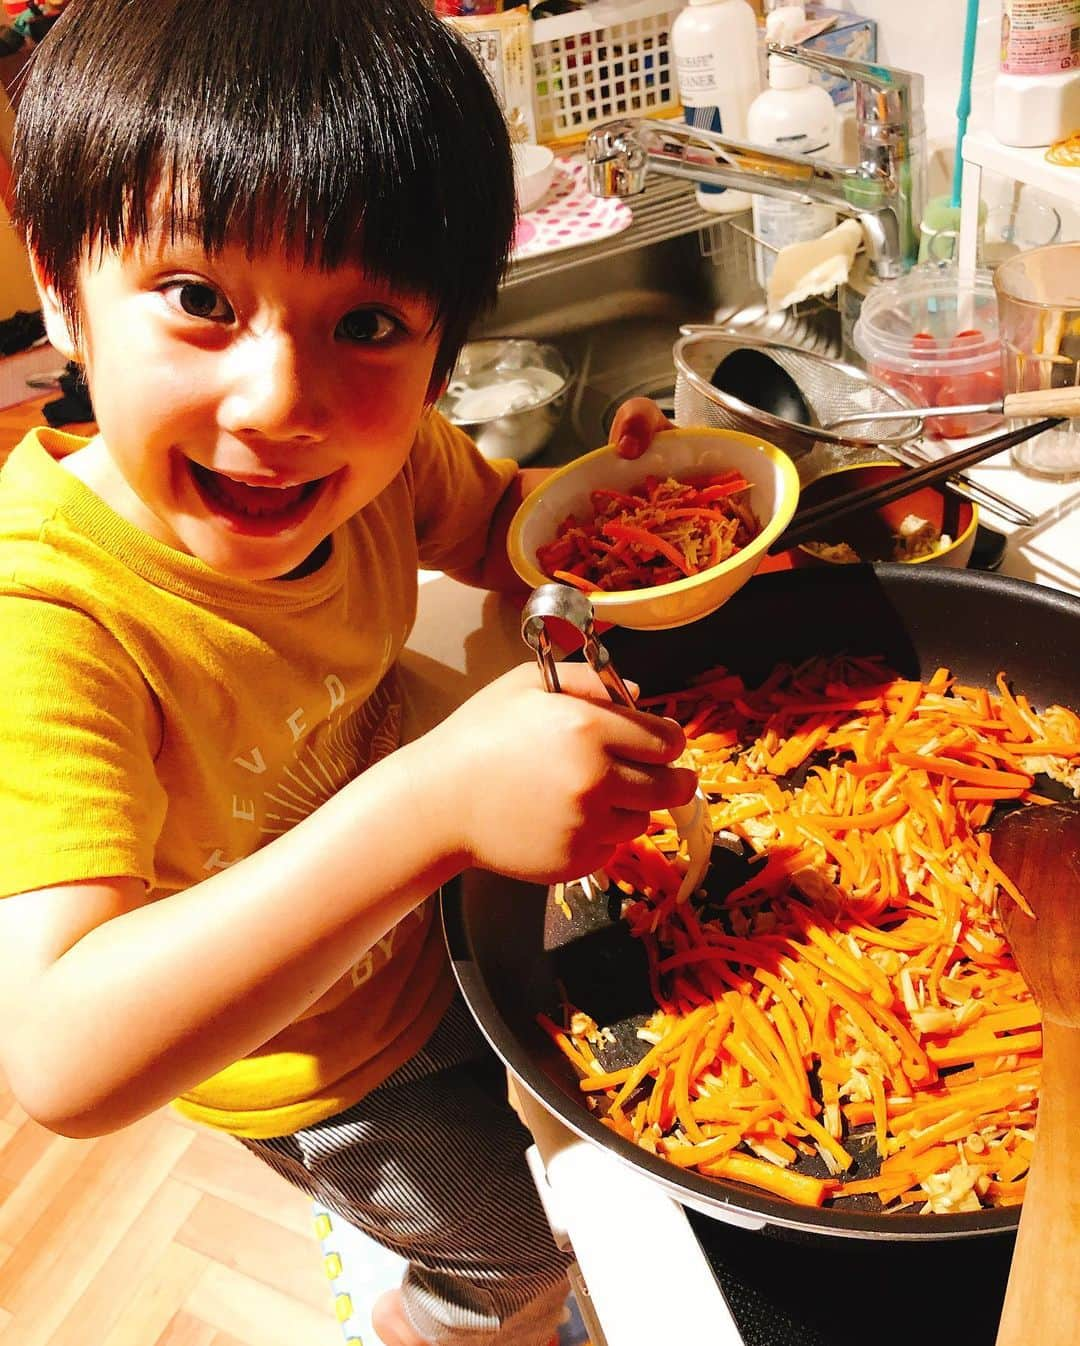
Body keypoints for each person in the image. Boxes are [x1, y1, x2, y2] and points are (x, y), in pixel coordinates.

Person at [0, 3, 694, 1344]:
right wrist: (433, 804)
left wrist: (637, 512)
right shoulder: (48, 614)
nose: (281, 403)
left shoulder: (378, 467)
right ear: (57, 283)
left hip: (430, 935)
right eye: (201, 299)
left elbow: (500, 525)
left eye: (368, 322)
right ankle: (436, 1323)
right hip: (315, 1059)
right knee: (506, 1270)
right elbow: (61, 1052)